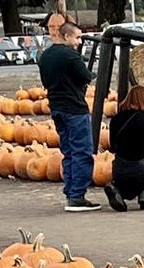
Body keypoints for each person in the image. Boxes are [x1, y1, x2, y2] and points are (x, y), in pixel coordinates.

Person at [39, 21, 100, 212]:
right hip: (74, 108)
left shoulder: (45, 56)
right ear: (66, 36)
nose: (79, 42)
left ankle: (70, 192)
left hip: (56, 107)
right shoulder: (70, 56)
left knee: (69, 152)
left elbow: (45, 81)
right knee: (82, 151)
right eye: (77, 37)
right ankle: (77, 196)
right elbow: (86, 76)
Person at [103, 86, 144, 212]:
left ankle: (117, 189)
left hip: (119, 169)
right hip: (141, 168)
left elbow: (112, 146)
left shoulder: (115, 120)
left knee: (126, 181)